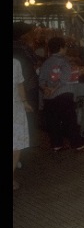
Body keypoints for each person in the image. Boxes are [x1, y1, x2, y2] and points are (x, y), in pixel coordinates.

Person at [39, 37, 84, 153]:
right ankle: (77, 144)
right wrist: (54, 89)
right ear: (61, 48)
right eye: (64, 47)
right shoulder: (64, 62)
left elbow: (41, 79)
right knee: (70, 121)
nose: (65, 49)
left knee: (53, 122)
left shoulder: (46, 62)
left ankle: (56, 145)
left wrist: (46, 89)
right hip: (64, 95)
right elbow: (64, 79)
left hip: (49, 98)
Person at [13, 24, 41, 147]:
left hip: (16, 87)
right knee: (28, 116)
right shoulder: (23, 47)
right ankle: (24, 143)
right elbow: (35, 62)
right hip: (27, 85)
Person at [14, 58, 34, 191]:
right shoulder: (15, 62)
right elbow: (20, 84)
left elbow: (20, 85)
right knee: (15, 145)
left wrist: (25, 102)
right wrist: (24, 102)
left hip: (15, 109)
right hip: (15, 109)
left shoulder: (15, 63)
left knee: (16, 145)